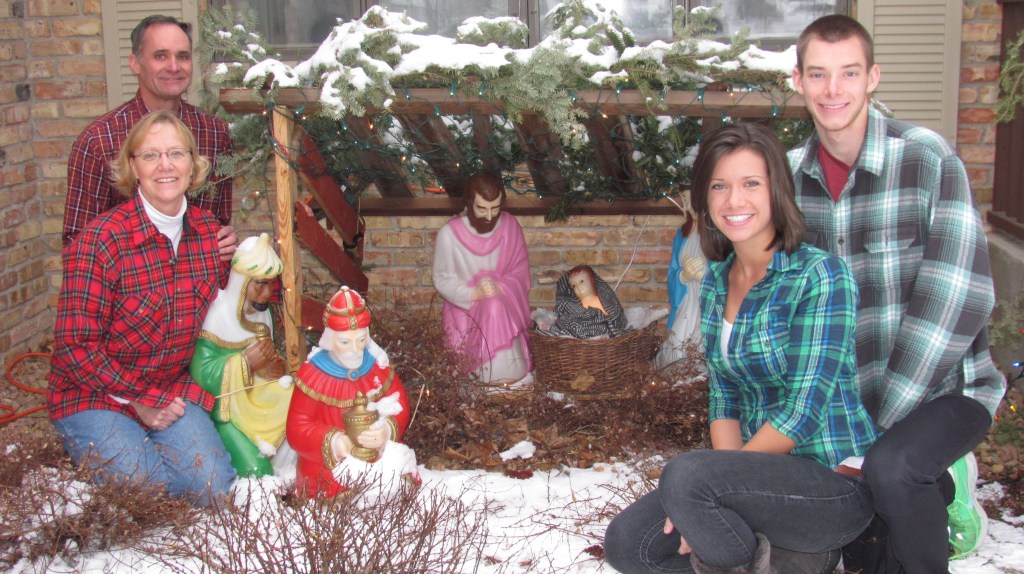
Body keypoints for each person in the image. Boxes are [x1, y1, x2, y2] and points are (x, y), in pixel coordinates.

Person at [604, 122, 878, 574]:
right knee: (628, 543)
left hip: (831, 483)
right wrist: (712, 494)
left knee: (687, 475)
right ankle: (771, 560)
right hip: (751, 481)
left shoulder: (820, 276)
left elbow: (802, 412)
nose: (734, 200)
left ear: (777, 191)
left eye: (751, 183)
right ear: (705, 200)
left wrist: (710, 489)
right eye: (719, 186)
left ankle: (789, 555)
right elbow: (724, 395)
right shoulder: (716, 280)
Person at [789, 15, 1006, 572]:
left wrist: (879, 424)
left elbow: (959, 297)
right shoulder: (787, 179)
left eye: (848, 73)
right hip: (847, 403)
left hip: (941, 391)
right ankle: (933, 495)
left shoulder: (926, 158)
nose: (832, 90)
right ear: (798, 82)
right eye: (818, 74)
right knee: (867, 553)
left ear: (873, 78)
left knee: (889, 469)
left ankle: (932, 472)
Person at [47, 110, 236, 506]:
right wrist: (139, 400)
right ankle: (101, 446)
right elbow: (73, 348)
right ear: (132, 167)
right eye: (150, 156)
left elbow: (233, 312)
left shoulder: (207, 236)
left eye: (176, 153)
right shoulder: (101, 242)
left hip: (169, 388)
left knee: (211, 488)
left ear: (193, 164)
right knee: (142, 489)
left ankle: (137, 450)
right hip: (94, 393)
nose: (165, 165)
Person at [64, 14, 237, 260]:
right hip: (130, 289)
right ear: (135, 63)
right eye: (160, 56)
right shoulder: (99, 140)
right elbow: (77, 243)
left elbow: (218, 222)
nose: (174, 67)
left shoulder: (214, 133)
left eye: (183, 56)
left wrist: (226, 240)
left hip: (200, 287)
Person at [286, 287, 412, 498]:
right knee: (335, 487)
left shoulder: (377, 365)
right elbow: (297, 428)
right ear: (331, 340)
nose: (355, 349)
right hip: (330, 464)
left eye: (361, 340)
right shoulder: (312, 375)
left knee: (395, 476)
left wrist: (386, 431)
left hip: (377, 454)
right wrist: (334, 441)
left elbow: (399, 403)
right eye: (345, 342)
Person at [190, 233, 293, 478]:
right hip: (227, 411)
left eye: (271, 283)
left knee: (296, 401)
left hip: (256, 398)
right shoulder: (217, 316)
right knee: (257, 471)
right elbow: (201, 373)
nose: (267, 293)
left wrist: (273, 368)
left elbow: (266, 359)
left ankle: (290, 467)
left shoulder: (261, 315)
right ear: (242, 282)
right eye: (260, 284)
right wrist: (245, 364)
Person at [432, 171, 533, 387]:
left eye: (495, 209)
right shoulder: (449, 235)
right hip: (466, 312)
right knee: (492, 305)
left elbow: (521, 272)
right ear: (469, 203)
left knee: (495, 304)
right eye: (482, 208)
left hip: (505, 304)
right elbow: (442, 279)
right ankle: (483, 372)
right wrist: (473, 293)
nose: (489, 216)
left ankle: (511, 370)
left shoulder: (510, 227)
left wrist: (500, 287)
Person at [655, 190, 707, 369]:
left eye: (690, 198)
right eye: (683, 199)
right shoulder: (682, 234)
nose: (686, 203)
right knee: (677, 349)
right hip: (686, 301)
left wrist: (702, 278)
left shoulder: (718, 234)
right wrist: (683, 276)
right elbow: (673, 272)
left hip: (706, 305)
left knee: (701, 350)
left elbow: (726, 275)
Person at [547, 264, 629, 338]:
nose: (579, 287)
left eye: (582, 281)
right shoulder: (573, 305)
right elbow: (572, 318)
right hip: (583, 329)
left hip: (602, 328)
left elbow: (608, 316)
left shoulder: (601, 300)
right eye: (574, 286)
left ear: (592, 280)